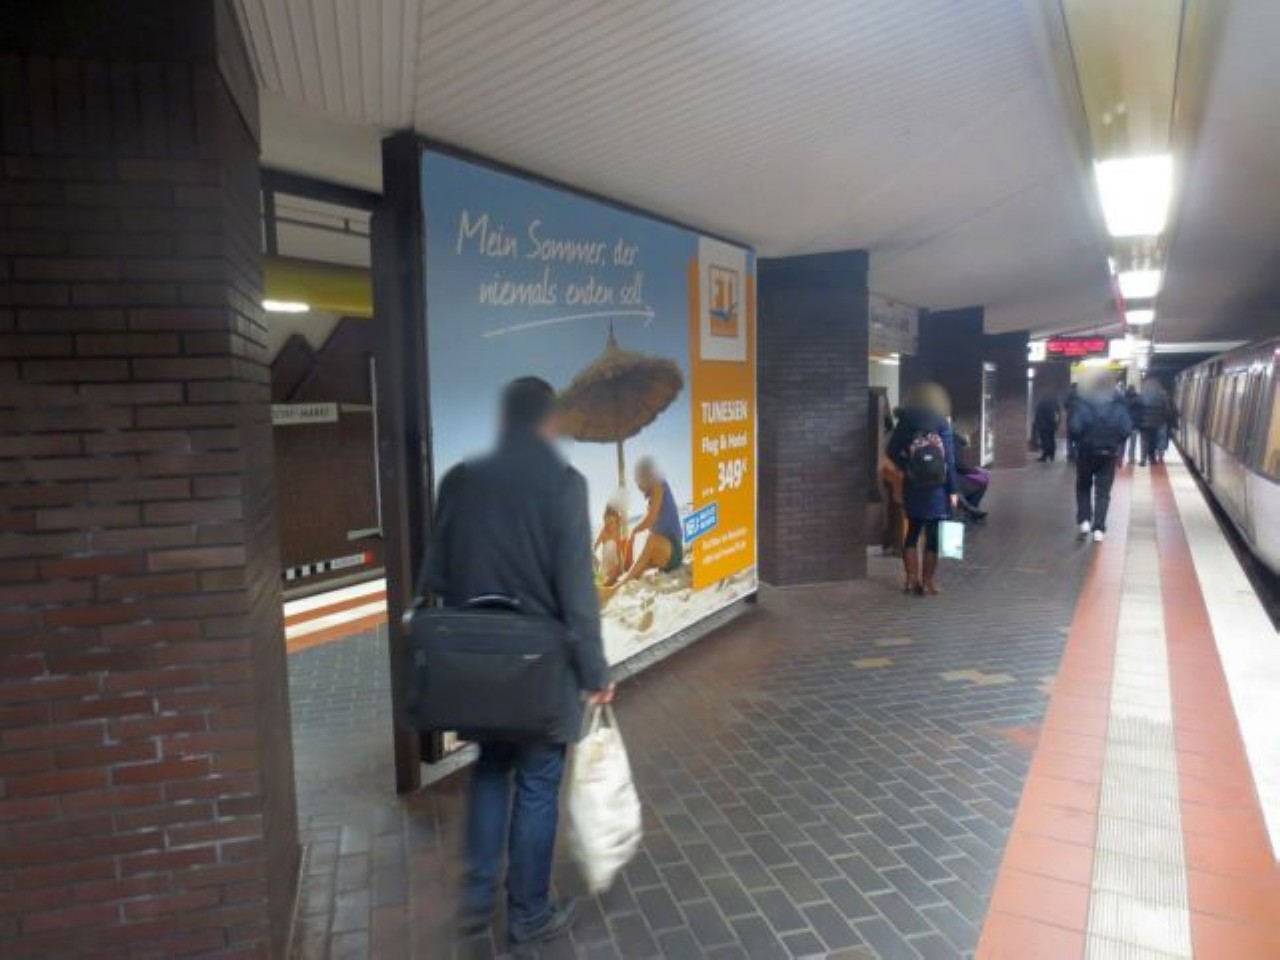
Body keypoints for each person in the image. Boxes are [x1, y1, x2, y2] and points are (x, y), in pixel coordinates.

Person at [424, 377, 614, 946]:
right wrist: (595, 672)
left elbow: (437, 574)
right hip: (541, 667)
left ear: (503, 421)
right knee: (537, 782)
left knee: (489, 769)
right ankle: (528, 913)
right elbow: (577, 591)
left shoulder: (460, 481)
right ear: (549, 422)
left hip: (480, 665)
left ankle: (477, 899)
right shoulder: (564, 485)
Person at [887, 382, 957, 595]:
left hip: (914, 485)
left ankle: (911, 580)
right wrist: (953, 490)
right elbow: (949, 461)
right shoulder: (941, 422)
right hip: (938, 488)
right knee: (933, 535)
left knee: (913, 532)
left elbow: (891, 451)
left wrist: (907, 465)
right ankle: (928, 582)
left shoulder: (906, 420)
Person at [603, 457, 683, 601]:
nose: (638, 486)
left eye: (638, 481)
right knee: (638, 565)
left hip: (674, 551)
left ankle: (614, 589)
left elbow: (651, 518)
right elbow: (651, 521)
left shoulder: (658, 483)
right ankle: (616, 581)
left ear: (646, 475)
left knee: (650, 541)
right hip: (664, 555)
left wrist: (634, 531)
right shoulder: (651, 500)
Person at [1068, 372, 1133, 543]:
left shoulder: (1084, 404)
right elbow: (1127, 429)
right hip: (1108, 454)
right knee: (1103, 492)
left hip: (1086, 453)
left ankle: (1084, 521)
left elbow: (1075, 427)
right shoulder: (1119, 406)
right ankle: (1099, 529)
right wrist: (1116, 441)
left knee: (1083, 487)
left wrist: (1080, 441)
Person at [594, 501, 632, 586]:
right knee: (603, 578)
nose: (609, 526)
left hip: (615, 561)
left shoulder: (616, 532)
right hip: (606, 563)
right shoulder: (604, 532)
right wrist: (595, 558)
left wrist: (621, 568)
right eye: (606, 523)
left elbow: (618, 552)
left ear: (616, 523)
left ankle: (617, 576)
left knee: (615, 576)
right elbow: (595, 546)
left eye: (612, 523)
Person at [1137, 377, 1168, 466]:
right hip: (1156, 422)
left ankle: (1143, 459)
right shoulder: (1161, 395)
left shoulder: (1142, 395)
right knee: (1153, 441)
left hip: (1143, 422)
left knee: (1144, 441)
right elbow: (1166, 409)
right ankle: (1152, 459)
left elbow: (1138, 408)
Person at [1033, 394, 1060, 462]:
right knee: (1051, 439)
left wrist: (1037, 425)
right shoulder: (1055, 403)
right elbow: (1058, 415)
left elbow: (1038, 415)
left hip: (1044, 426)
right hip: (1052, 425)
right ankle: (1051, 455)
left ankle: (1046, 455)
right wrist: (1057, 425)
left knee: (1045, 441)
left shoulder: (1042, 404)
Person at [1122, 384, 1142, 466]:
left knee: (1122, 442)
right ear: (1134, 390)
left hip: (1124, 424)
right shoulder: (1138, 399)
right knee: (1133, 443)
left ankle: (1120, 457)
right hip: (1134, 424)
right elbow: (1141, 411)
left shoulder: (1123, 399)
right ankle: (1131, 458)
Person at [1063, 383, 1081, 463]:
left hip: (1070, 421)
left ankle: (1070, 455)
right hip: (1078, 422)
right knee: (1077, 439)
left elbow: (1065, 406)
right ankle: (1077, 454)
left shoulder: (1068, 398)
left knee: (1069, 439)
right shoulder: (1080, 398)